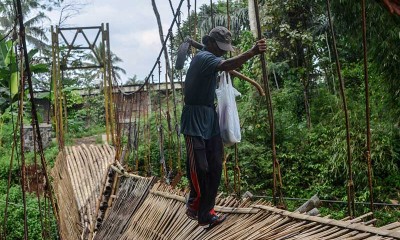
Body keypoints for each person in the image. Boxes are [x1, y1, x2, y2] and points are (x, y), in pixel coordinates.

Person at [180, 26, 267, 230]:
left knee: (216, 165)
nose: (221, 51)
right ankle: (195, 203)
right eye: (219, 47)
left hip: (210, 116)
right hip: (194, 118)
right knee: (199, 167)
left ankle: (207, 212)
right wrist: (252, 51)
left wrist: (242, 58)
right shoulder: (203, 57)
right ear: (209, 42)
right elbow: (227, 63)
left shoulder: (212, 56)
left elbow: (228, 64)